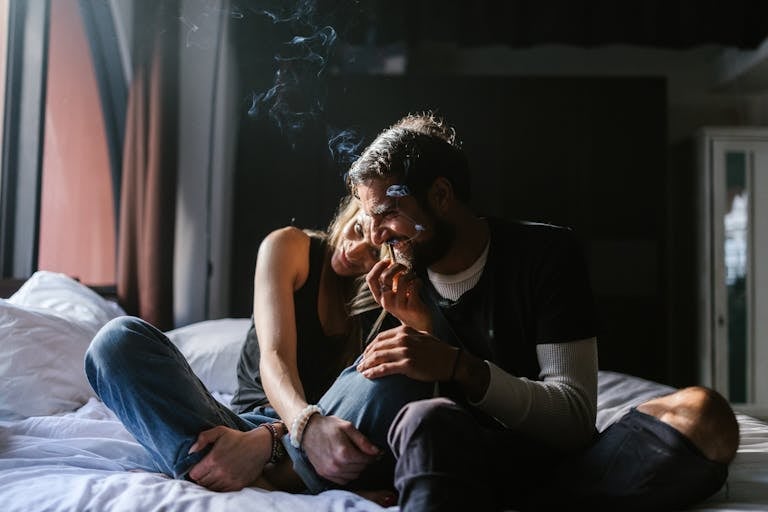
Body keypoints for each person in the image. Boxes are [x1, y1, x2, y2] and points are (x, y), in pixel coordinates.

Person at [331, 111, 739, 511]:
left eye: (387, 214)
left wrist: (459, 366)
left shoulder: (544, 254)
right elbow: (382, 417)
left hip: (559, 466)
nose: (378, 235)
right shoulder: (395, 283)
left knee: (706, 415)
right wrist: (419, 334)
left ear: (440, 196)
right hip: (462, 457)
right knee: (425, 419)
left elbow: (575, 422)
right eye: (370, 220)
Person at [84, 195, 394, 498]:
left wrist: (274, 442)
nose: (355, 252)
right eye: (358, 231)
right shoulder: (290, 247)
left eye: (373, 256)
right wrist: (274, 435)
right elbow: (275, 358)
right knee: (115, 342)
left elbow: (354, 406)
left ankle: (233, 475)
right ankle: (268, 484)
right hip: (247, 429)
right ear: (354, 208)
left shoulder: (377, 307)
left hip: (308, 447)